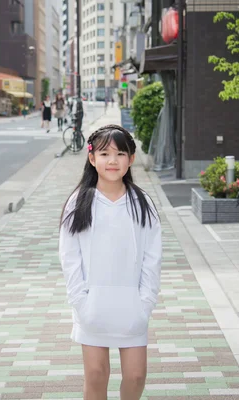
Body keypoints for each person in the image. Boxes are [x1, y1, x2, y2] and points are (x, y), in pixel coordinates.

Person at [58, 125, 162, 400]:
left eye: (120, 154)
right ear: (92, 159)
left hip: (132, 305)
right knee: (95, 376)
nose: (112, 161)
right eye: (104, 153)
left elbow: (153, 257)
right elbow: (70, 258)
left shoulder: (142, 203)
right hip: (92, 305)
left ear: (131, 158)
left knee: (136, 376)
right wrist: (81, 302)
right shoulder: (79, 202)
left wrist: (146, 301)